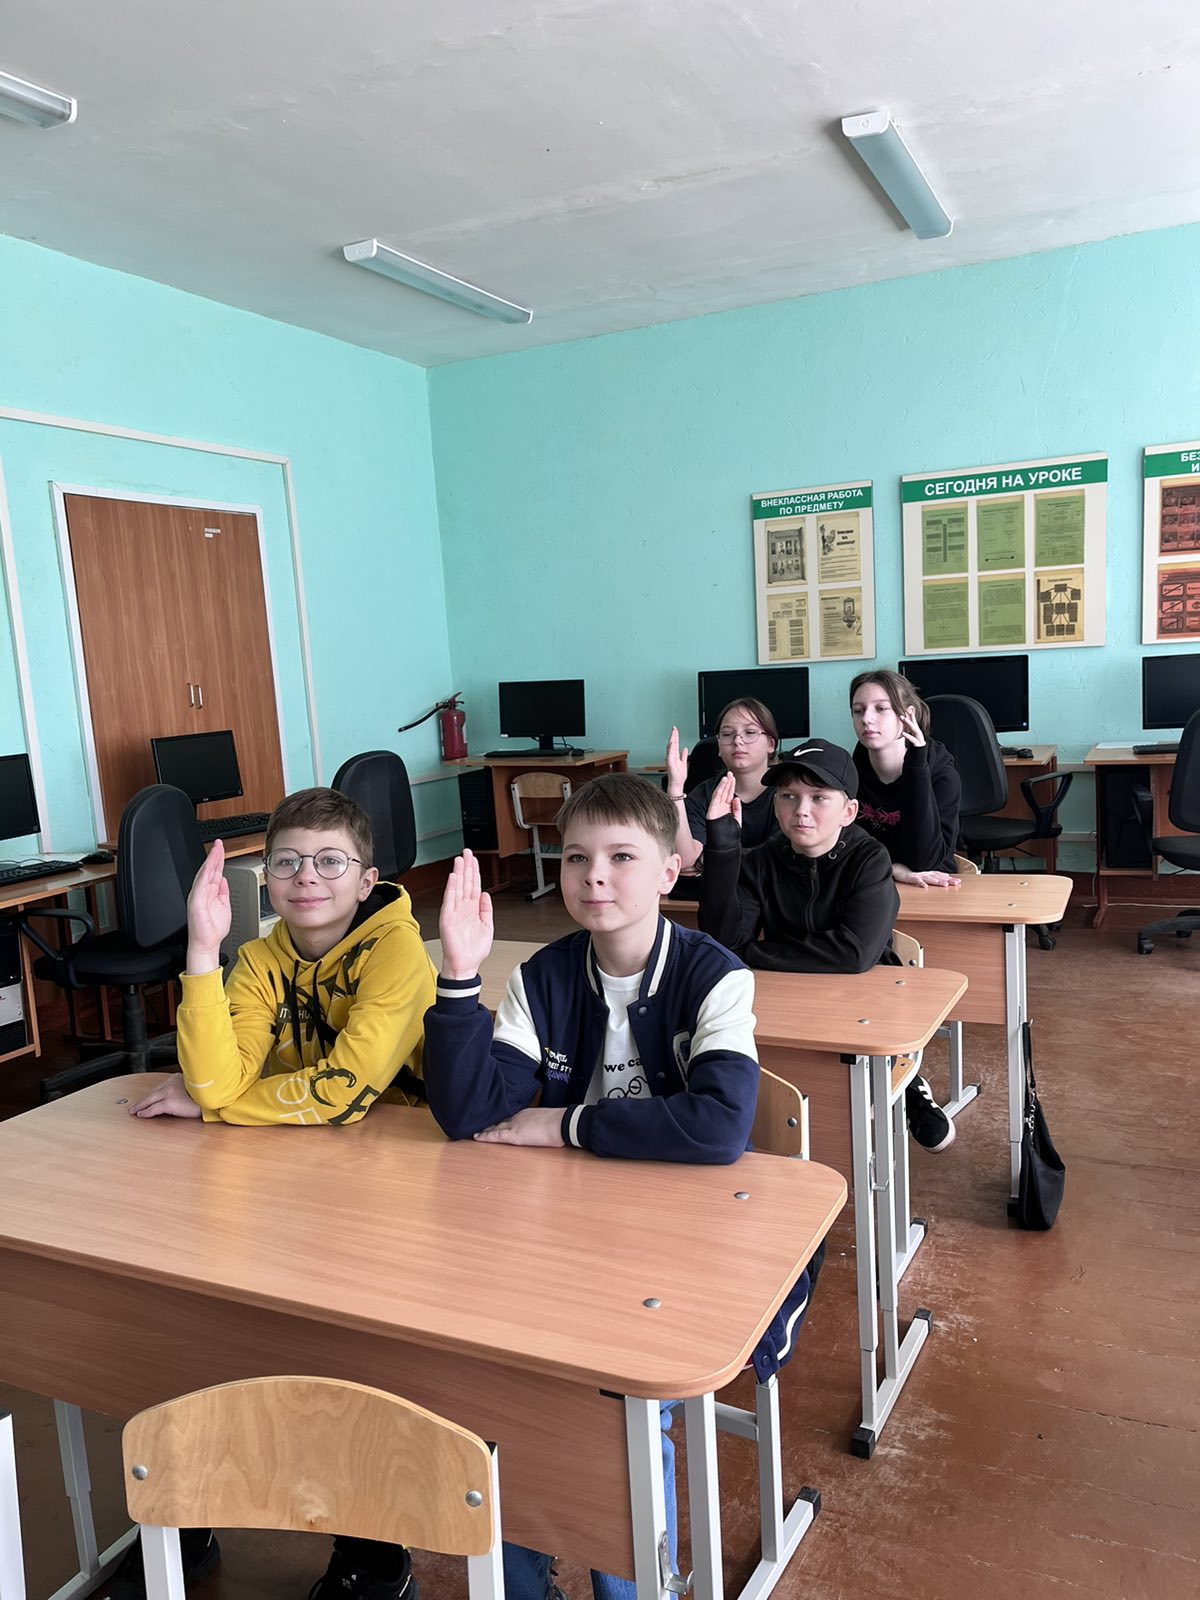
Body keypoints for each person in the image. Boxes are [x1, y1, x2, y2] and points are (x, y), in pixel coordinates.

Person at [422, 773, 813, 1600]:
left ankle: (632, 1584)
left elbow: (718, 1129)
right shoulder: (543, 976)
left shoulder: (715, 975)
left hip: (686, 1242)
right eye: (575, 857)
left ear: (670, 871)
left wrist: (566, 1124)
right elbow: (470, 1115)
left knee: (613, 1403)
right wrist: (459, 975)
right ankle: (526, 1580)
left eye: (621, 857)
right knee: (500, 1383)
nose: (593, 876)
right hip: (570, 1238)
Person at [119, 786, 436, 1600]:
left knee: (343, 1369)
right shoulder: (260, 959)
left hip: (399, 1191)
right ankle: (182, 1514)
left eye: (330, 862)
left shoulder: (397, 953)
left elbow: (344, 1093)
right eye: (287, 862)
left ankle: (373, 1551)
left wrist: (220, 1107)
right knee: (200, 1325)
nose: (307, 878)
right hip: (281, 1175)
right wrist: (202, 951)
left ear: (367, 879)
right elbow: (213, 1076)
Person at [697, 738, 954, 1152]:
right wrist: (724, 847)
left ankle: (906, 1084)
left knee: (846, 1093)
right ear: (775, 804)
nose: (801, 809)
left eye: (819, 797)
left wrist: (753, 953)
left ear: (848, 811)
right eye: (788, 796)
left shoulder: (869, 859)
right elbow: (724, 943)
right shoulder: (760, 861)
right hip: (795, 994)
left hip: (871, 999)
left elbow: (855, 953)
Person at [848, 670, 962, 888]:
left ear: (908, 715)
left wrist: (916, 768)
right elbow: (843, 848)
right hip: (871, 881)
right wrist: (894, 869)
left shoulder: (942, 776)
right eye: (858, 711)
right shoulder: (850, 772)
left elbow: (924, 861)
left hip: (932, 887)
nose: (866, 719)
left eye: (881, 708)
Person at [664, 696, 780, 877]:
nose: (737, 741)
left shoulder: (788, 794)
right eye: (727, 734)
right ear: (718, 746)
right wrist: (676, 789)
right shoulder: (704, 793)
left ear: (771, 744)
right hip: (716, 889)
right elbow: (686, 860)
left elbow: (777, 859)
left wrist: (709, 859)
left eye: (750, 732)